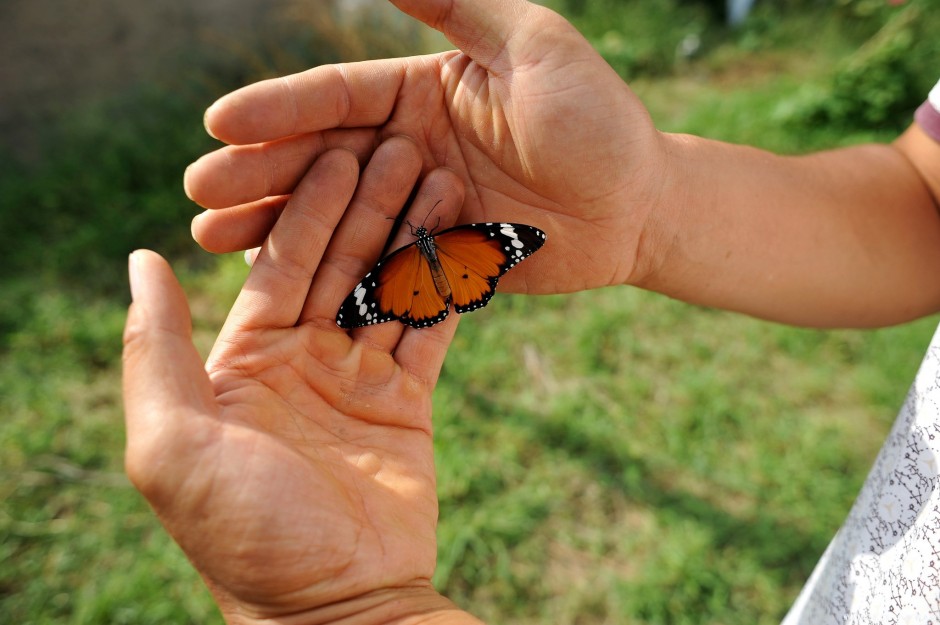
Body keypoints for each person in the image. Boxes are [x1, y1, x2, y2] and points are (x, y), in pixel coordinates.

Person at [122, 0, 940, 623]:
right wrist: (648, 201)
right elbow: (927, 200)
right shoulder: (472, 239)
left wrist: (347, 610)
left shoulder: (421, 258)